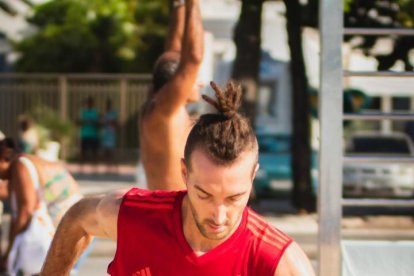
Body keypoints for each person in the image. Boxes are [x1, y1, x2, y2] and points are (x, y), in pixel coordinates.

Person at [41, 81, 315, 276]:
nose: (219, 217)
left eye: (234, 198)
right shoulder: (132, 216)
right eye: (204, 194)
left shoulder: (278, 261)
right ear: (184, 173)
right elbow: (78, 217)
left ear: (253, 176)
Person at [139, 0, 204, 190]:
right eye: (193, 78)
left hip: (169, 208)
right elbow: (193, 58)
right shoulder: (165, 111)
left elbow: (173, 52)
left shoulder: (157, 106)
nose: (199, 83)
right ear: (176, 82)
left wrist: (179, 5)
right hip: (169, 214)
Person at [0, 138, 83, 275]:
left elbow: (26, 211)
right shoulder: (25, 162)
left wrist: (9, 253)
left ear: (3, 159)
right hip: (76, 226)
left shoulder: (20, 166)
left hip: (71, 229)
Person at [79, 96, 100, 162]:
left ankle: (94, 164)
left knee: (94, 151)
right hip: (85, 134)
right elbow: (80, 122)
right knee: (84, 151)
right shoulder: (83, 112)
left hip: (93, 134)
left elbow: (98, 123)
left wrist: (93, 122)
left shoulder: (95, 112)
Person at [101, 98, 118, 173]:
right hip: (106, 134)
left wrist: (108, 121)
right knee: (106, 152)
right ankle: (108, 168)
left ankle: (115, 169)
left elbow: (115, 123)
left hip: (111, 134)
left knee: (112, 152)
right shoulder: (105, 114)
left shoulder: (113, 114)